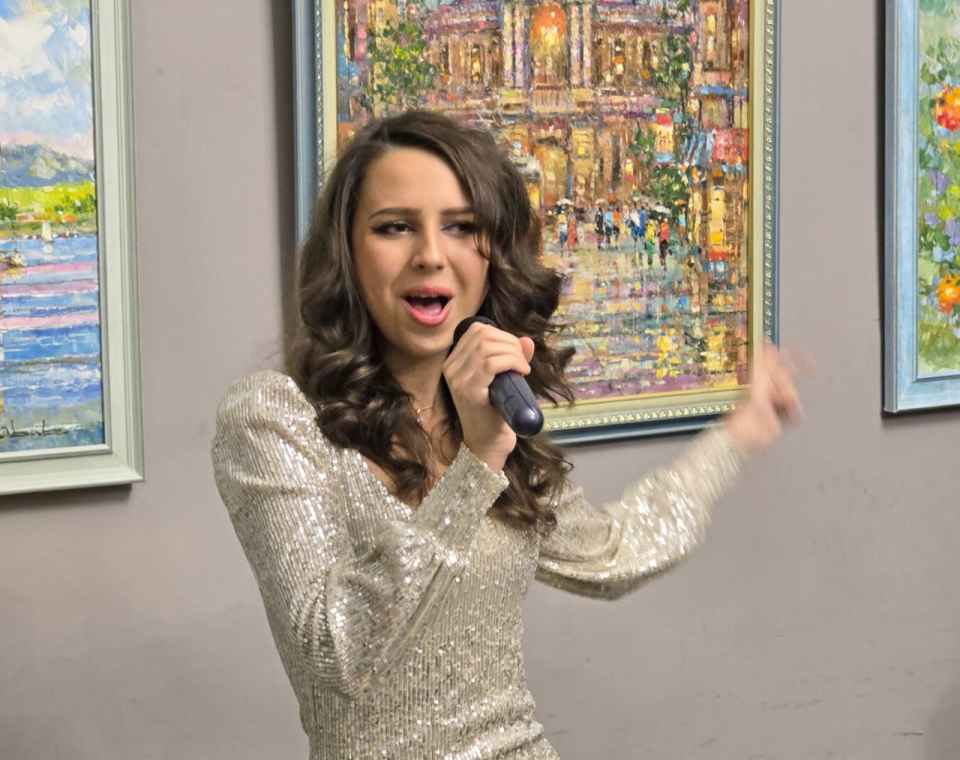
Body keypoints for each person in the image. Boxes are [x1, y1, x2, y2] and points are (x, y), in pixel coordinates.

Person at [210, 111, 802, 760]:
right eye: (395, 227)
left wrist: (736, 436)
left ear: (493, 254)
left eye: (462, 227)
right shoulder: (275, 418)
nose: (430, 254)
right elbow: (335, 653)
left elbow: (615, 554)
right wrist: (475, 465)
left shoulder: (492, 410)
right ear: (348, 254)